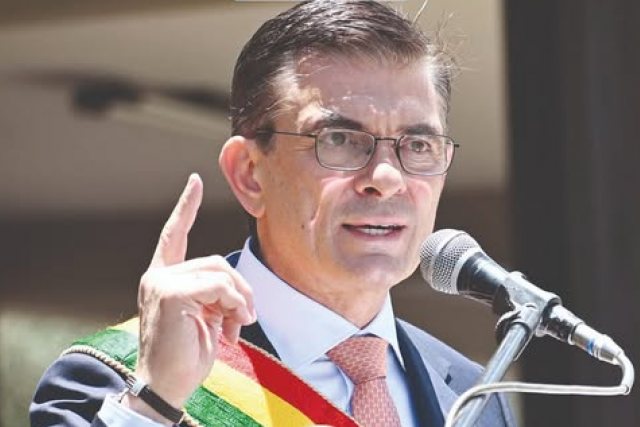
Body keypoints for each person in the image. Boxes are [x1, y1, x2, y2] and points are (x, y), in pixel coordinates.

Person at [31, 1, 517, 426]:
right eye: (340, 140)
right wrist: (154, 403)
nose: (387, 177)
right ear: (249, 174)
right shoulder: (118, 378)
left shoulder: (473, 393)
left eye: (418, 145)